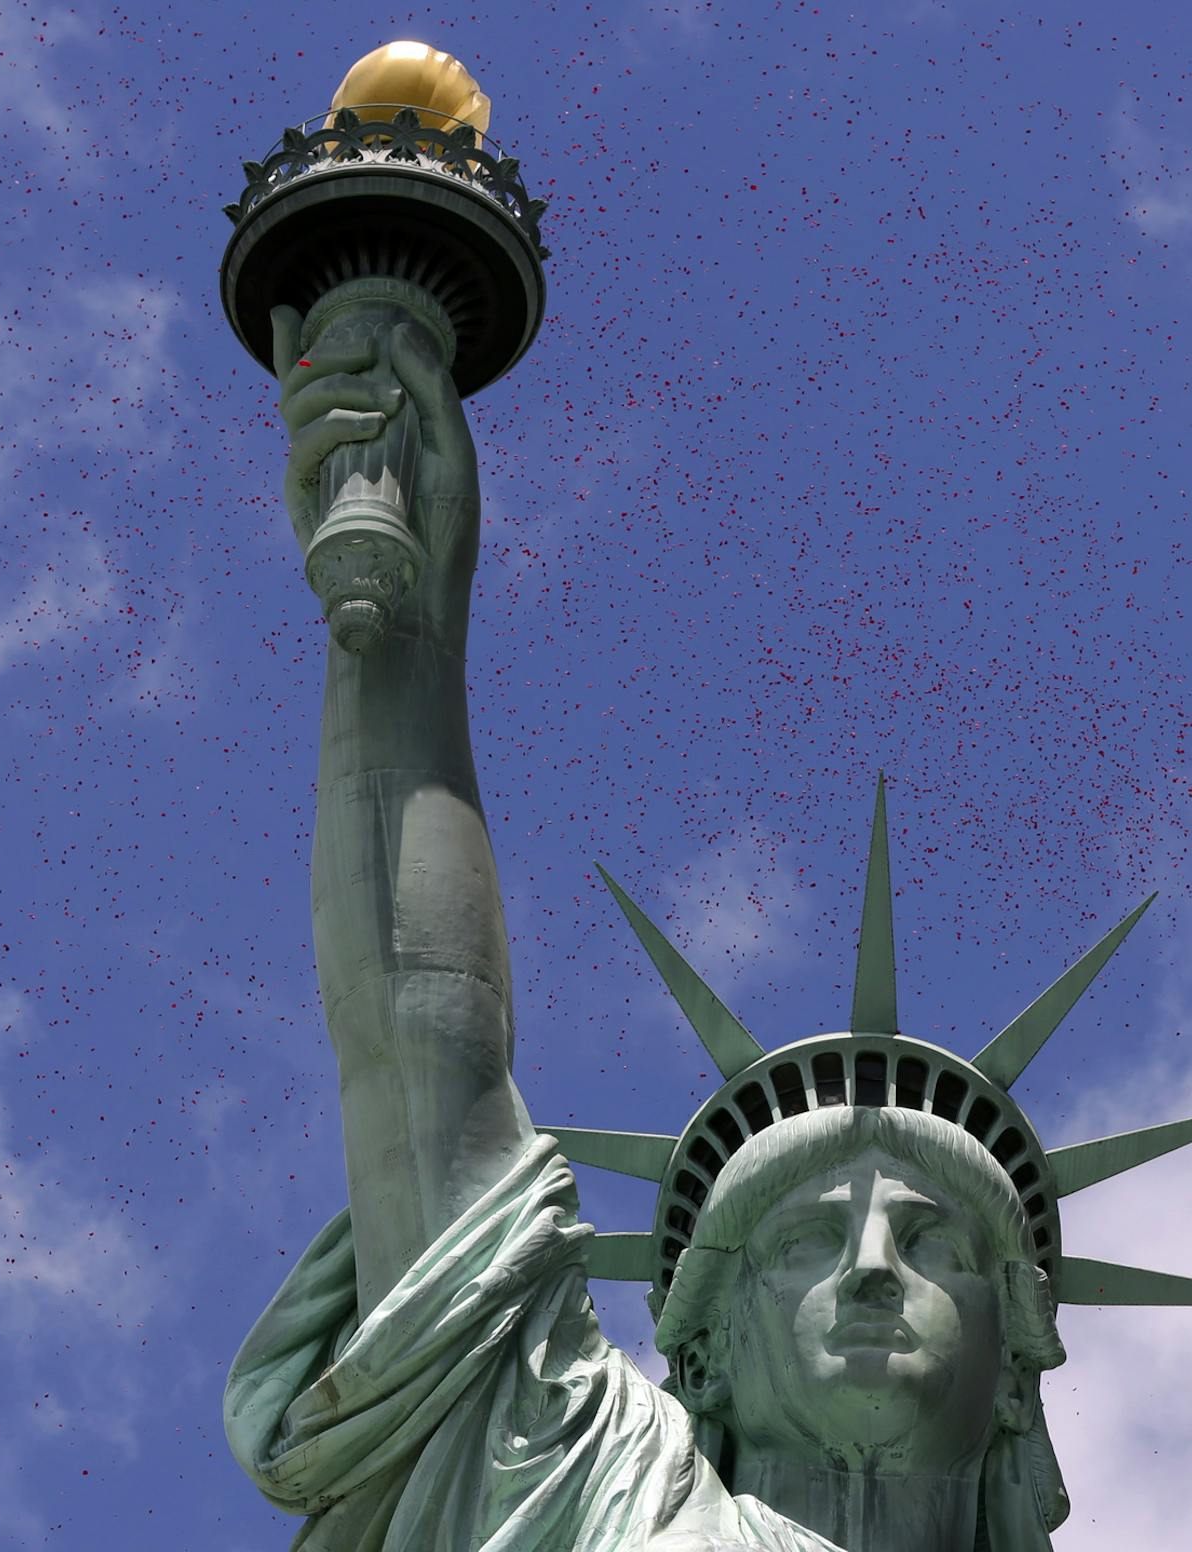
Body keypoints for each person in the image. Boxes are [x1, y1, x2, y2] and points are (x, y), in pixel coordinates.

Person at [222, 305, 1069, 1552]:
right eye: (801, 1241)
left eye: (934, 1237)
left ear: (1017, 1361)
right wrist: (404, 627)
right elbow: (420, 1046)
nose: (876, 1268)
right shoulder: (579, 1488)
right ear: (705, 1354)